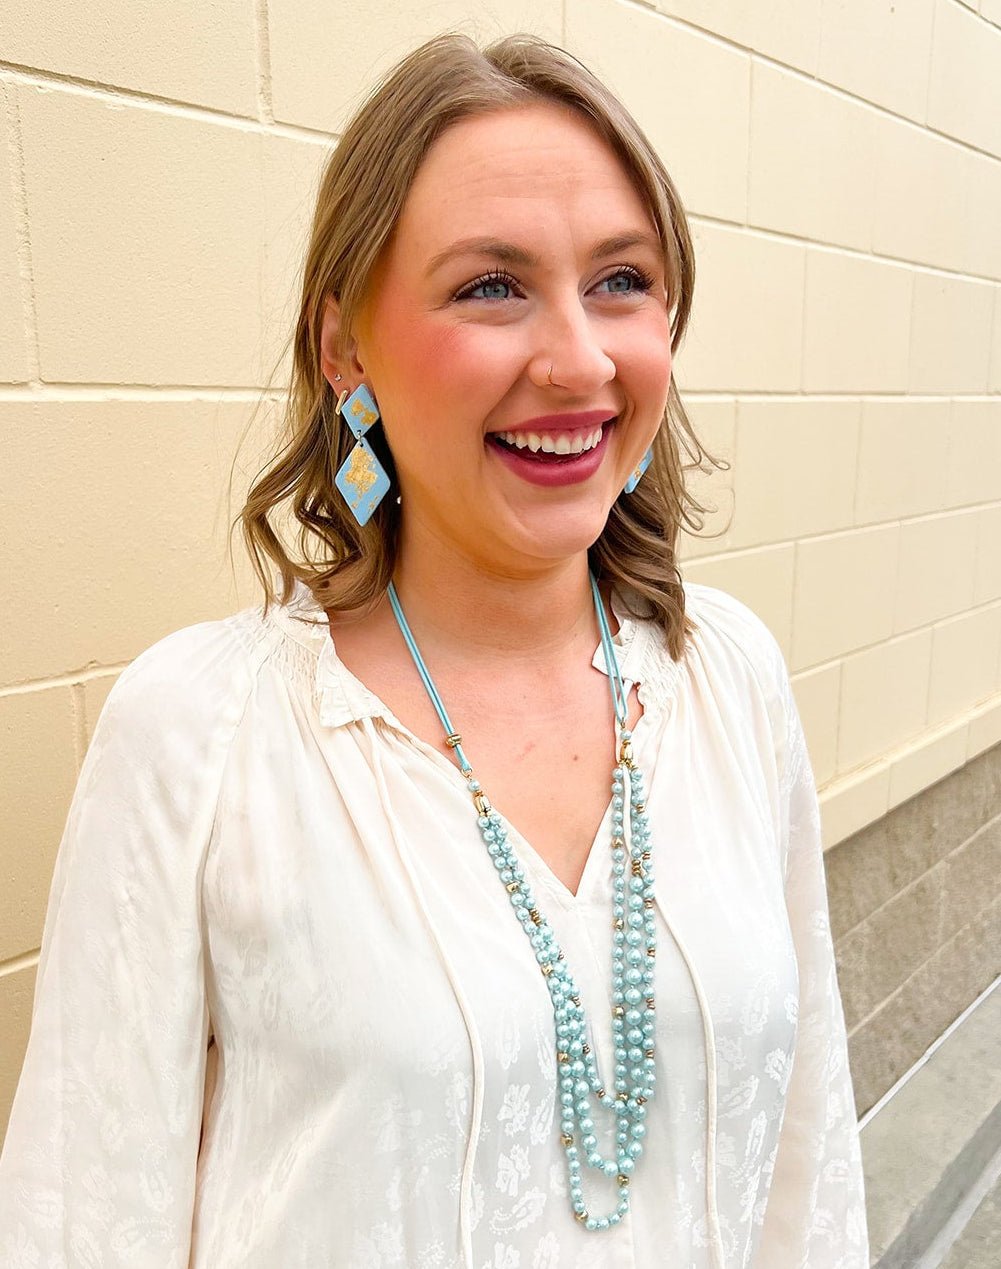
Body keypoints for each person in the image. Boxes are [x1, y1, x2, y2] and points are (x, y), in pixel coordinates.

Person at [0, 32, 869, 1269]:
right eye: (490, 287)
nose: (576, 360)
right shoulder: (203, 736)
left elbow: (806, 1164)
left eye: (620, 279)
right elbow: (83, 1221)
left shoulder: (729, 682)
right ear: (343, 346)